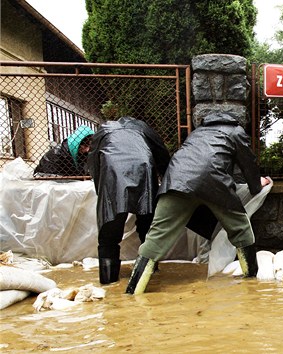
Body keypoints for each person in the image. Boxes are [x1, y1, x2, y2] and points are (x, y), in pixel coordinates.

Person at [125, 112, 271, 295]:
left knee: (155, 237)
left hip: (176, 182)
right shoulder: (235, 131)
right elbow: (248, 162)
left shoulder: (197, 132)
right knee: (241, 229)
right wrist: (256, 185)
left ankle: (132, 292)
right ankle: (251, 282)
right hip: (214, 184)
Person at [87, 116, 171, 285]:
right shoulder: (142, 128)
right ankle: (149, 274)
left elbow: (94, 163)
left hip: (112, 170)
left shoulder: (104, 130)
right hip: (143, 168)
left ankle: (108, 281)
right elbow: (162, 155)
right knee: (147, 224)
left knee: (109, 230)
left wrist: (101, 190)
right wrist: (167, 181)